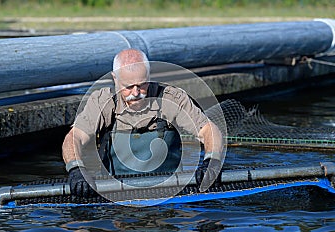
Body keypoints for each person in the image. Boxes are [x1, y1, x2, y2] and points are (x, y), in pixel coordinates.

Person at [62, 48, 223, 198]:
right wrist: (76, 168)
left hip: (170, 192)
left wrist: (212, 160)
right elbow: (74, 137)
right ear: (114, 78)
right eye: (128, 87)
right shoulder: (102, 101)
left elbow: (208, 130)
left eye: (142, 85)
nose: (136, 93)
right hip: (116, 192)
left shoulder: (171, 98)